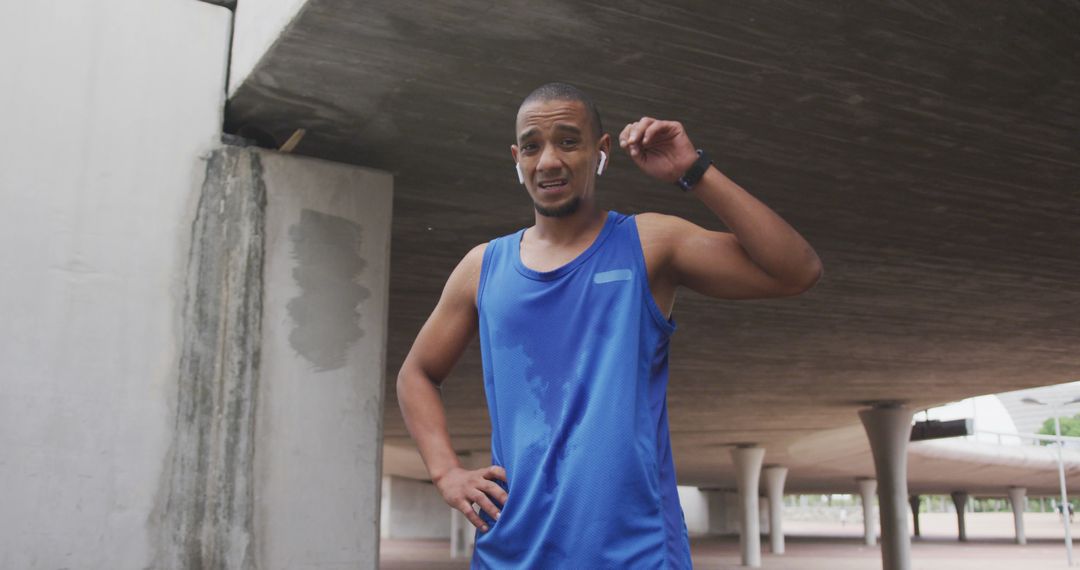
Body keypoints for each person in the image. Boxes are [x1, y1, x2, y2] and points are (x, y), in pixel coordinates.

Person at [396, 82, 823, 568]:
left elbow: (796, 270)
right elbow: (417, 374)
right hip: (512, 551)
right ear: (517, 158)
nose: (549, 160)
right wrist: (446, 473)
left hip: (635, 552)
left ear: (601, 151)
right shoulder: (482, 268)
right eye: (532, 146)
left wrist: (694, 171)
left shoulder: (649, 243)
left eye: (568, 141)